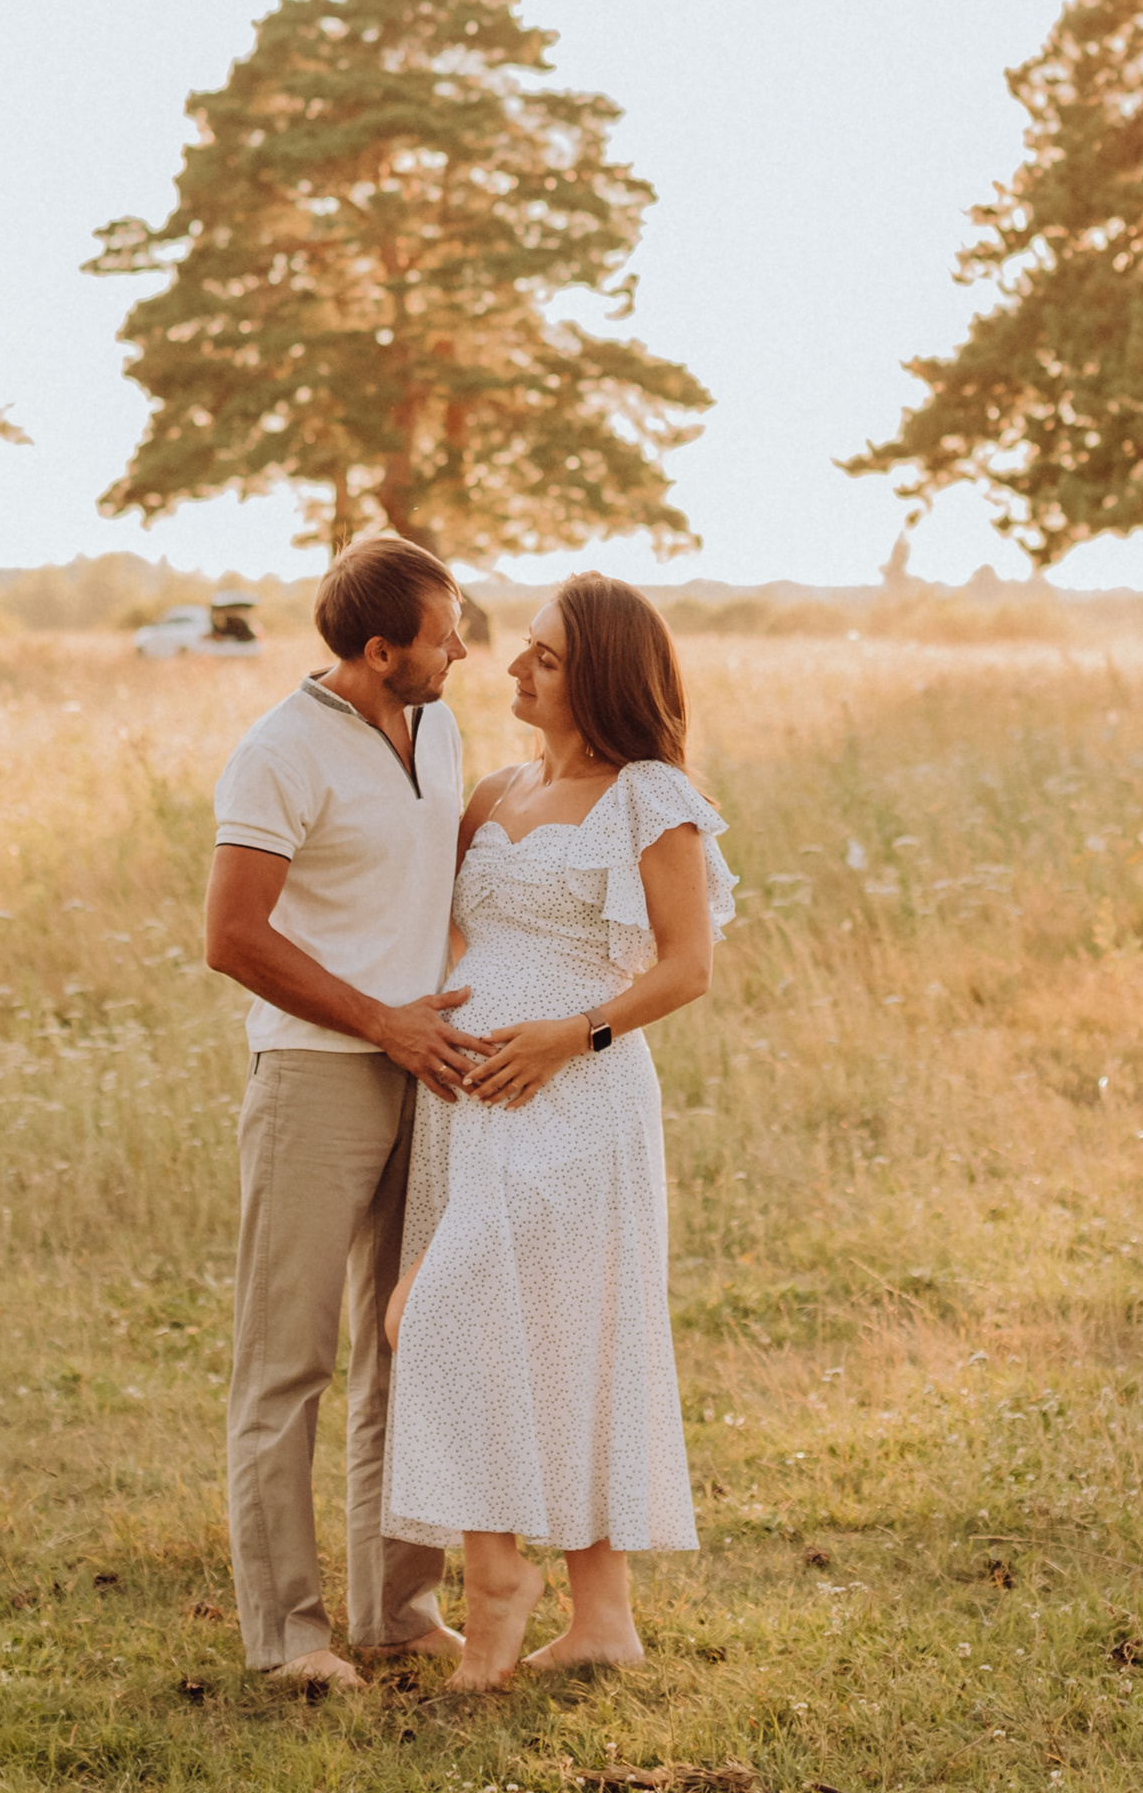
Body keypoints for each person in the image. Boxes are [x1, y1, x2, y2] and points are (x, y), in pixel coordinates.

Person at [381, 574, 736, 1689]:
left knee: (495, 1318)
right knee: (483, 1324)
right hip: (471, 1114)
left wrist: (562, 1039)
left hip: (578, 1107)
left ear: (600, 675)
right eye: (520, 648)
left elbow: (686, 967)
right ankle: (598, 1615)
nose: (514, 667)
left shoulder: (649, 797)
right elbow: (438, 935)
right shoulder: (491, 794)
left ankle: (516, 1589)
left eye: (541, 653)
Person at [203, 536, 477, 1689]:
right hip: (317, 1074)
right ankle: (290, 1638)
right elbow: (233, 938)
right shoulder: (275, 757)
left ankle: (398, 1610)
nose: (463, 646)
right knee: (287, 1361)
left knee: (408, 1342)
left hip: (432, 1072)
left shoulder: (441, 725)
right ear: (379, 652)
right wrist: (384, 1021)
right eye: (443, 632)